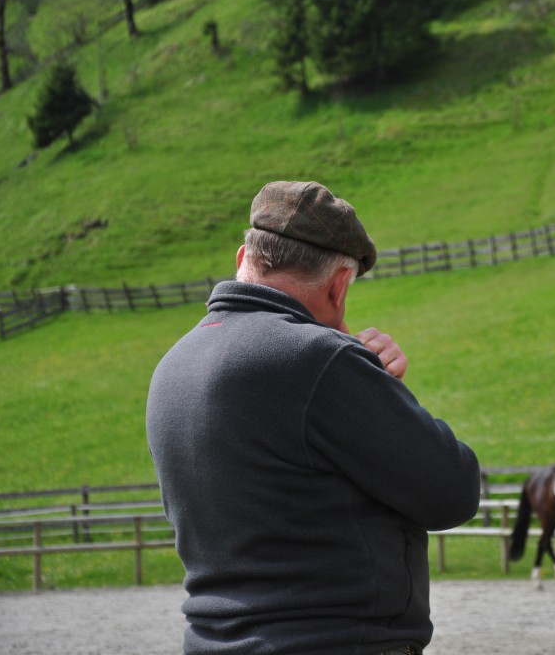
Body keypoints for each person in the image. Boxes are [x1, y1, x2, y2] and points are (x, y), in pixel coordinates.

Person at [146, 181, 480, 655]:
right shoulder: (319, 360)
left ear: (244, 257)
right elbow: (452, 492)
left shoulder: (174, 364)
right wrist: (380, 382)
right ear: (339, 285)